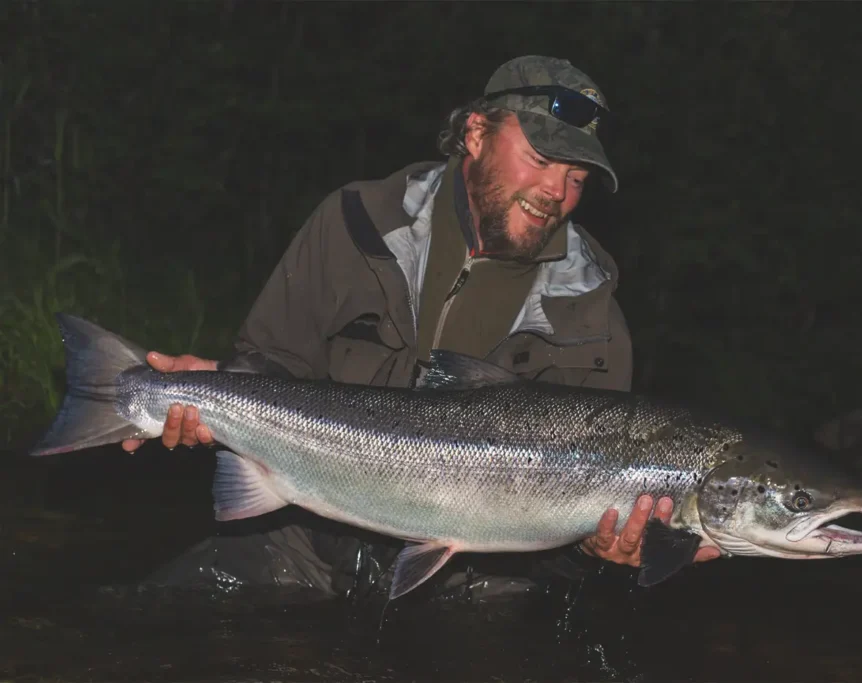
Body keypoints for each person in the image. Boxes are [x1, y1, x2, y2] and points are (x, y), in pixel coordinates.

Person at [125, 55, 719, 600]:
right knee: (140, 625)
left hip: (475, 589)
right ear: (476, 134)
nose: (556, 192)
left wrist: (597, 548)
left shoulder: (594, 324)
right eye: (540, 160)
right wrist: (209, 392)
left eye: (578, 179)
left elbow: (556, 558)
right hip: (302, 538)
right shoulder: (356, 224)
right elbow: (271, 364)